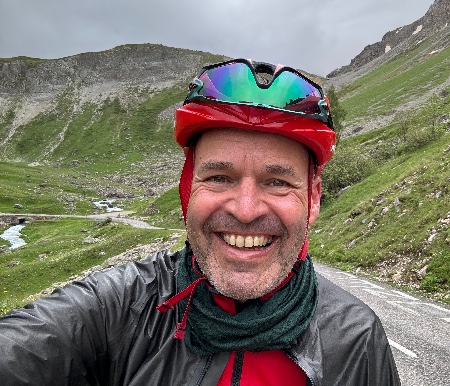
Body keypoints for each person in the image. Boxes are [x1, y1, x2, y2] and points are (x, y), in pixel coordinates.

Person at [0, 58, 400, 385]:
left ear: (312, 199)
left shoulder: (356, 338)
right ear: (187, 189)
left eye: (278, 182)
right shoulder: (118, 309)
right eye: (219, 177)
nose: (246, 210)